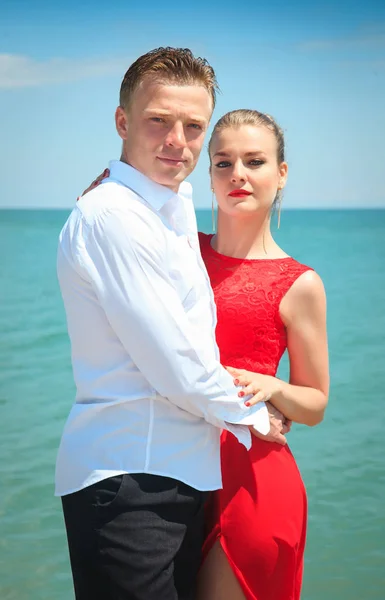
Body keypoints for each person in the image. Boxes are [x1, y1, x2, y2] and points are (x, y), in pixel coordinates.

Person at [55, 48, 285, 600]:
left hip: (179, 476)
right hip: (130, 479)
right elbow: (173, 361)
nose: (176, 140)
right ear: (122, 121)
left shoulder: (169, 204)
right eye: (159, 120)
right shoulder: (113, 215)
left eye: (193, 126)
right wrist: (254, 415)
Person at [195, 110, 329, 600]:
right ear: (207, 174)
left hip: (254, 484)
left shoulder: (300, 283)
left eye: (255, 161)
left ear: (282, 173)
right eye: (223, 162)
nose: (238, 175)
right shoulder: (180, 253)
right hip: (173, 469)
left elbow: (314, 403)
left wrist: (271, 386)